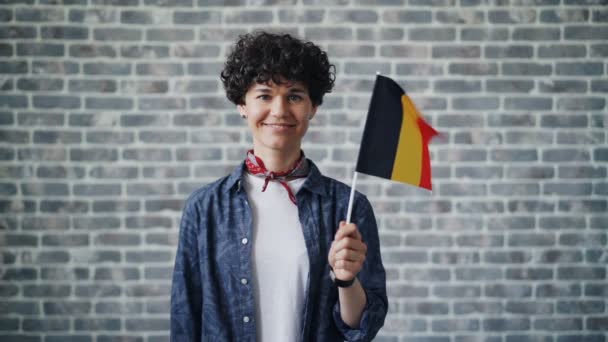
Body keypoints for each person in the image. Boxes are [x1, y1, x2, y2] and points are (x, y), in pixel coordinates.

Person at [170, 31, 387, 342]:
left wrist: (346, 281)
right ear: (241, 105)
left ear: (313, 107)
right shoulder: (204, 208)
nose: (280, 110)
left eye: (295, 96)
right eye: (264, 95)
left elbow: (362, 328)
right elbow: (184, 319)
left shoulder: (349, 206)